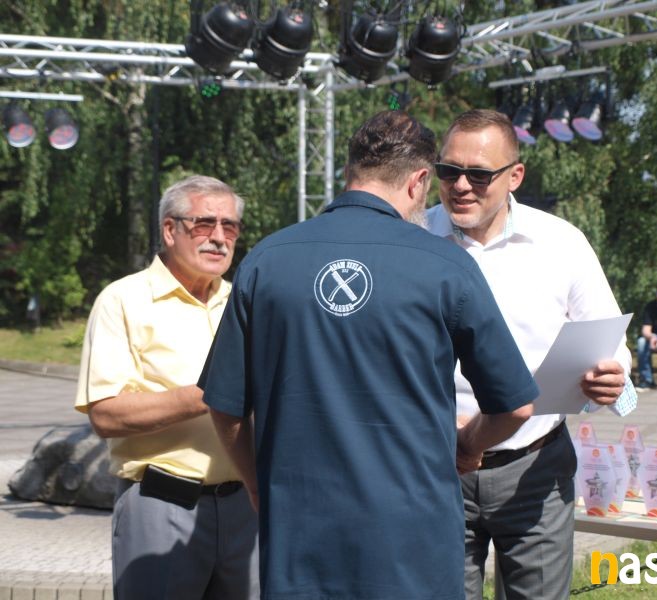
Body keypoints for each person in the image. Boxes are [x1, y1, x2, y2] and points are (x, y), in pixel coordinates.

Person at [199, 110, 539, 600]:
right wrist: (468, 444)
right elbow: (515, 406)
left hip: (300, 539)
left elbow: (226, 405)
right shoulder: (447, 266)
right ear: (419, 181)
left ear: (348, 172)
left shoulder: (266, 261)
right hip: (413, 545)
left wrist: (257, 484)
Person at [426, 108, 637, 600]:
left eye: (479, 175)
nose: (461, 186)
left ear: (515, 175)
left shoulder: (561, 243)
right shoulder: (411, 236)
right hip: (434, 466)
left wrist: (613, 379)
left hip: (534, 469)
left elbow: (610, 346)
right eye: (449, 171)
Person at [75, 175, 259, 599]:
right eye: (204, 224)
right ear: (169, 230)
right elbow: (105, 415)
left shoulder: (245, 301)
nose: (219, 238)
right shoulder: (123, 301)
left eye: (230, 226)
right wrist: (208, 395)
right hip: (162, 504)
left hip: (245, 507)